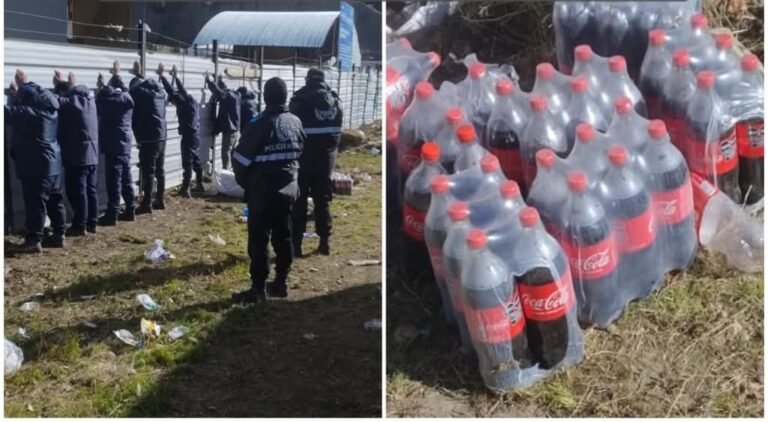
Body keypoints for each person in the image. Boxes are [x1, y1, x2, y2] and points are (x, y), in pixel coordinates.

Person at [231, 77, 305, 303]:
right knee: (283, 236)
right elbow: (301, 150)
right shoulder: (295, 122)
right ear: (285, 96)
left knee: (259, 241)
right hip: (288, 191)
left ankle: (258, 289)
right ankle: (281, 282)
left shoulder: (258, 124)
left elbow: (240, 160)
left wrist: (248, 185)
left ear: (265, 96)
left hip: (263, 193)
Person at [5, 69, 67, 252]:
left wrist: (16, 93)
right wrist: (21, 91)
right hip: (53, 163)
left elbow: (8, 113)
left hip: (36, 166)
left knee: (35, 202)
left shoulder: (29, 112)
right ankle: (59, 233)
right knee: (55, 200)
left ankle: (34, 240)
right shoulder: (50, 108)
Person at [289, 68, 343, 257]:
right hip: (326, 161)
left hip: (303, 160)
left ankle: (296, 244)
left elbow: (289, 130)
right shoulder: (336, 101)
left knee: (299, 202)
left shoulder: (299, 100)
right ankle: (324, 242)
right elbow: (337, 135)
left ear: (308, 80)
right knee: (323, 201)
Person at [53, 70, 99, 236]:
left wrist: (58, 85)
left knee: (77, 192)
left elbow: (55, 101)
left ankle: (80, 225)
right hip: (92, 155)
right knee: (91, 191)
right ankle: (92, 223)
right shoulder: (90, 101)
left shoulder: (72, 103)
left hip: (77, 157)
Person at [95, 62, 136, 225]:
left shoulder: (108, 101)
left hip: (113, 145)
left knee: (114, 180)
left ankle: (112, 214)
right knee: (126, 178)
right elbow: (124, 89)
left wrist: (102, 85)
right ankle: (130, 209)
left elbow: (100, 97)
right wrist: (116, 75)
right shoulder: (127, 99)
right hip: (125, 144)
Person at [158, 64, 205, 197]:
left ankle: (186, 188)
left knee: (187, 162)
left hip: (188, 136)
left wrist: (162, 77)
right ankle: (200, 183)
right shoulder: (191, 101)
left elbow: (170, 91)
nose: (172, 102)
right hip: (195, 135)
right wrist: (175, 77)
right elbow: (181, 90)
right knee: (196, 159)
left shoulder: (182, 103)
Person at [129, 61, 168, 214]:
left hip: (149, 138)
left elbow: (129, 92)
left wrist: (116, 77)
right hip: (162, 137)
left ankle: (147, 203)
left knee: (149, 170)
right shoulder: (159, 93)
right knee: (160, 169)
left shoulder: (138, 93)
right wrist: (139, 74)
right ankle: (160, 198)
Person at [205, 73, 241, 169]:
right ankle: (233, 173)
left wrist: (210, 81)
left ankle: (226, 174)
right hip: (235, 130)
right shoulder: (235, 95)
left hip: (230, 131)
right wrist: (220, 80)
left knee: (226, 153)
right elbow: (222, 91)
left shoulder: (227, 96)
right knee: (232, 153)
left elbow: (219, 93)